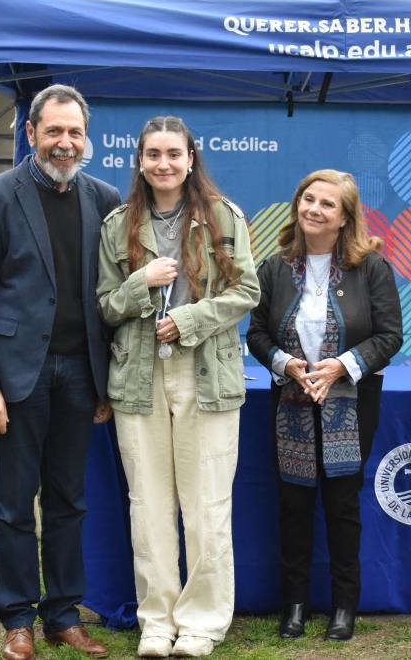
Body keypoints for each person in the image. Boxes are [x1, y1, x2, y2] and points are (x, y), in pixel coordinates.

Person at [0, 84, 120, 660]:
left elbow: (110, 298)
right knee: (14, 505)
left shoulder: (104, 198)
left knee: (70, 502)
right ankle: (18, 619)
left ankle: (63, 615)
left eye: (74, 132)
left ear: (86, 137)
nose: (65, 142)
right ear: (30, 134)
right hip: (16, 379)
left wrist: (105, 384)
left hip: (80, 376)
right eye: (53, 131)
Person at [96, 116, 259, 658]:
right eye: (152, 154)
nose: (163, 164)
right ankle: (156, 623)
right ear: (139, 161)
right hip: (139, 377)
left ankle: (201, 624)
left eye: (173, 153)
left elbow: (246, 292)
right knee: (148, 506)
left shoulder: (223, 215)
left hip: (205, 374)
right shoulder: (118, 225)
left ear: (191, 158)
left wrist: (188, 319)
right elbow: (106, 306)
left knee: (206, 503)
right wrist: (142, 284)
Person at [247, 169, 402, 642]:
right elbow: (256, 333)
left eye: (327, 204)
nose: (314, 209)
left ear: (344, 218)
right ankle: (294, 604)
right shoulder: (274, 268)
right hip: (290, 398)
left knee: (341, 505)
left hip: (352, 401)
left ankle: (343, 605)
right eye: (307, 199)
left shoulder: (371, 267)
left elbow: (390, 335)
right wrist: (289, 365)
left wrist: (339, 366)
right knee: (293, 504)